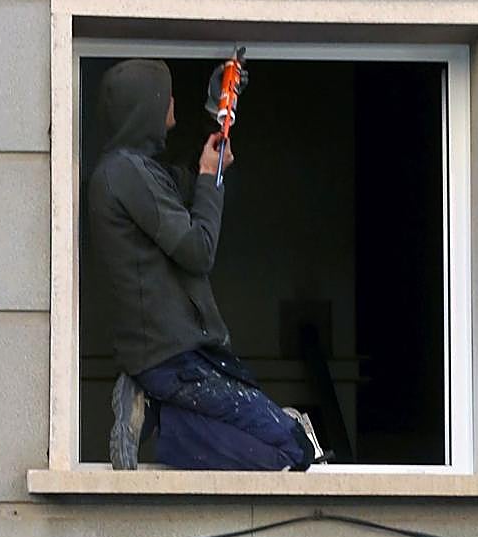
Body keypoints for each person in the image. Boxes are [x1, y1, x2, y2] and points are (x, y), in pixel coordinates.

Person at [87, 58, 325, 471]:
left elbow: (181, 177)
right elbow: (199, 249)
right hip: (174, 360)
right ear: (148, 105)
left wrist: (219, 113)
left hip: (180, 356)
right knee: (292, 450)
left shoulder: (134, 172)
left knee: (290, 445)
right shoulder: (125, 174)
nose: (172, 101)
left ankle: (155, 409)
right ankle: (159, 413)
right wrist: (213, 178)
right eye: (166, 94)